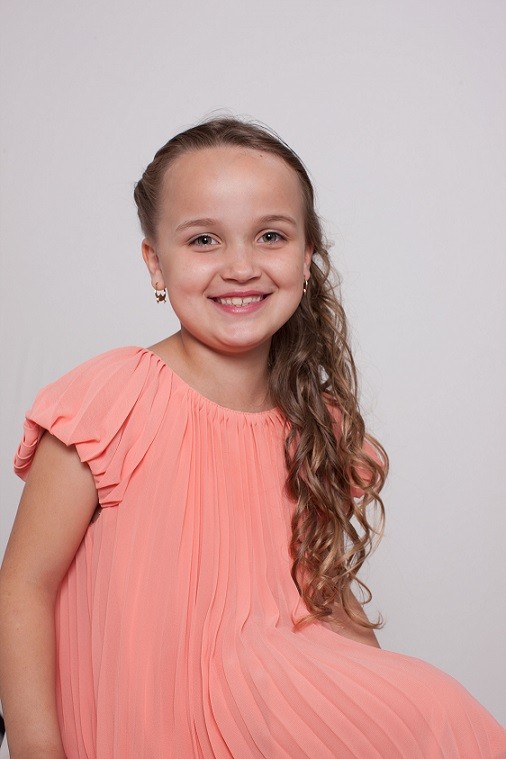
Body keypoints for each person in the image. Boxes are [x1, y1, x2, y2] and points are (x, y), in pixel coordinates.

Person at [0, 117, 504, 759]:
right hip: (142, 724)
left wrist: (386, 704)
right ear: (155, 263)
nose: (240, 267)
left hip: (270, 716)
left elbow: (323, 598)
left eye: (270, 236)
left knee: (442, 716)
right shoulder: (111, 402)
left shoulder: (316, 422)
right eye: (204, 239)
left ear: (306, 256)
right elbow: (24, 587)